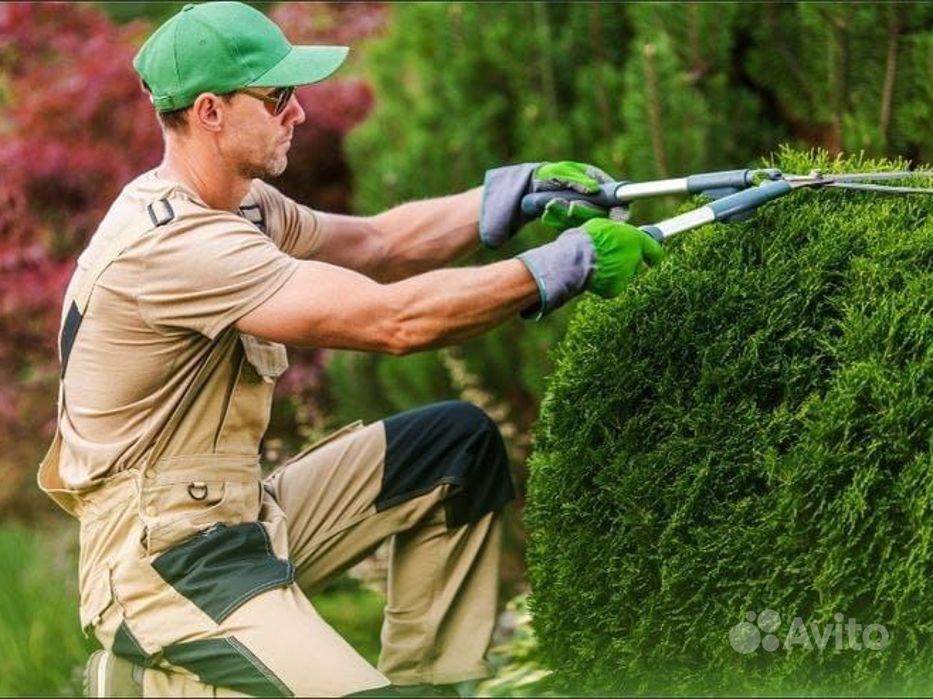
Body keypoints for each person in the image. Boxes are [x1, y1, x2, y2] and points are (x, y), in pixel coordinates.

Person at [37, 2, 664, 697]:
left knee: (453, 448)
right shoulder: (177, 245)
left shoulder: (239, 205)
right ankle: (154, 679)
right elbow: (393, 322)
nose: (297, 112)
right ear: (210, 111)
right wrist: (556, 267)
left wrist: (512, 195)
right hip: (163, 560)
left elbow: (379, 243)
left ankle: (428, 682)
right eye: (276, 97)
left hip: (242, 515)